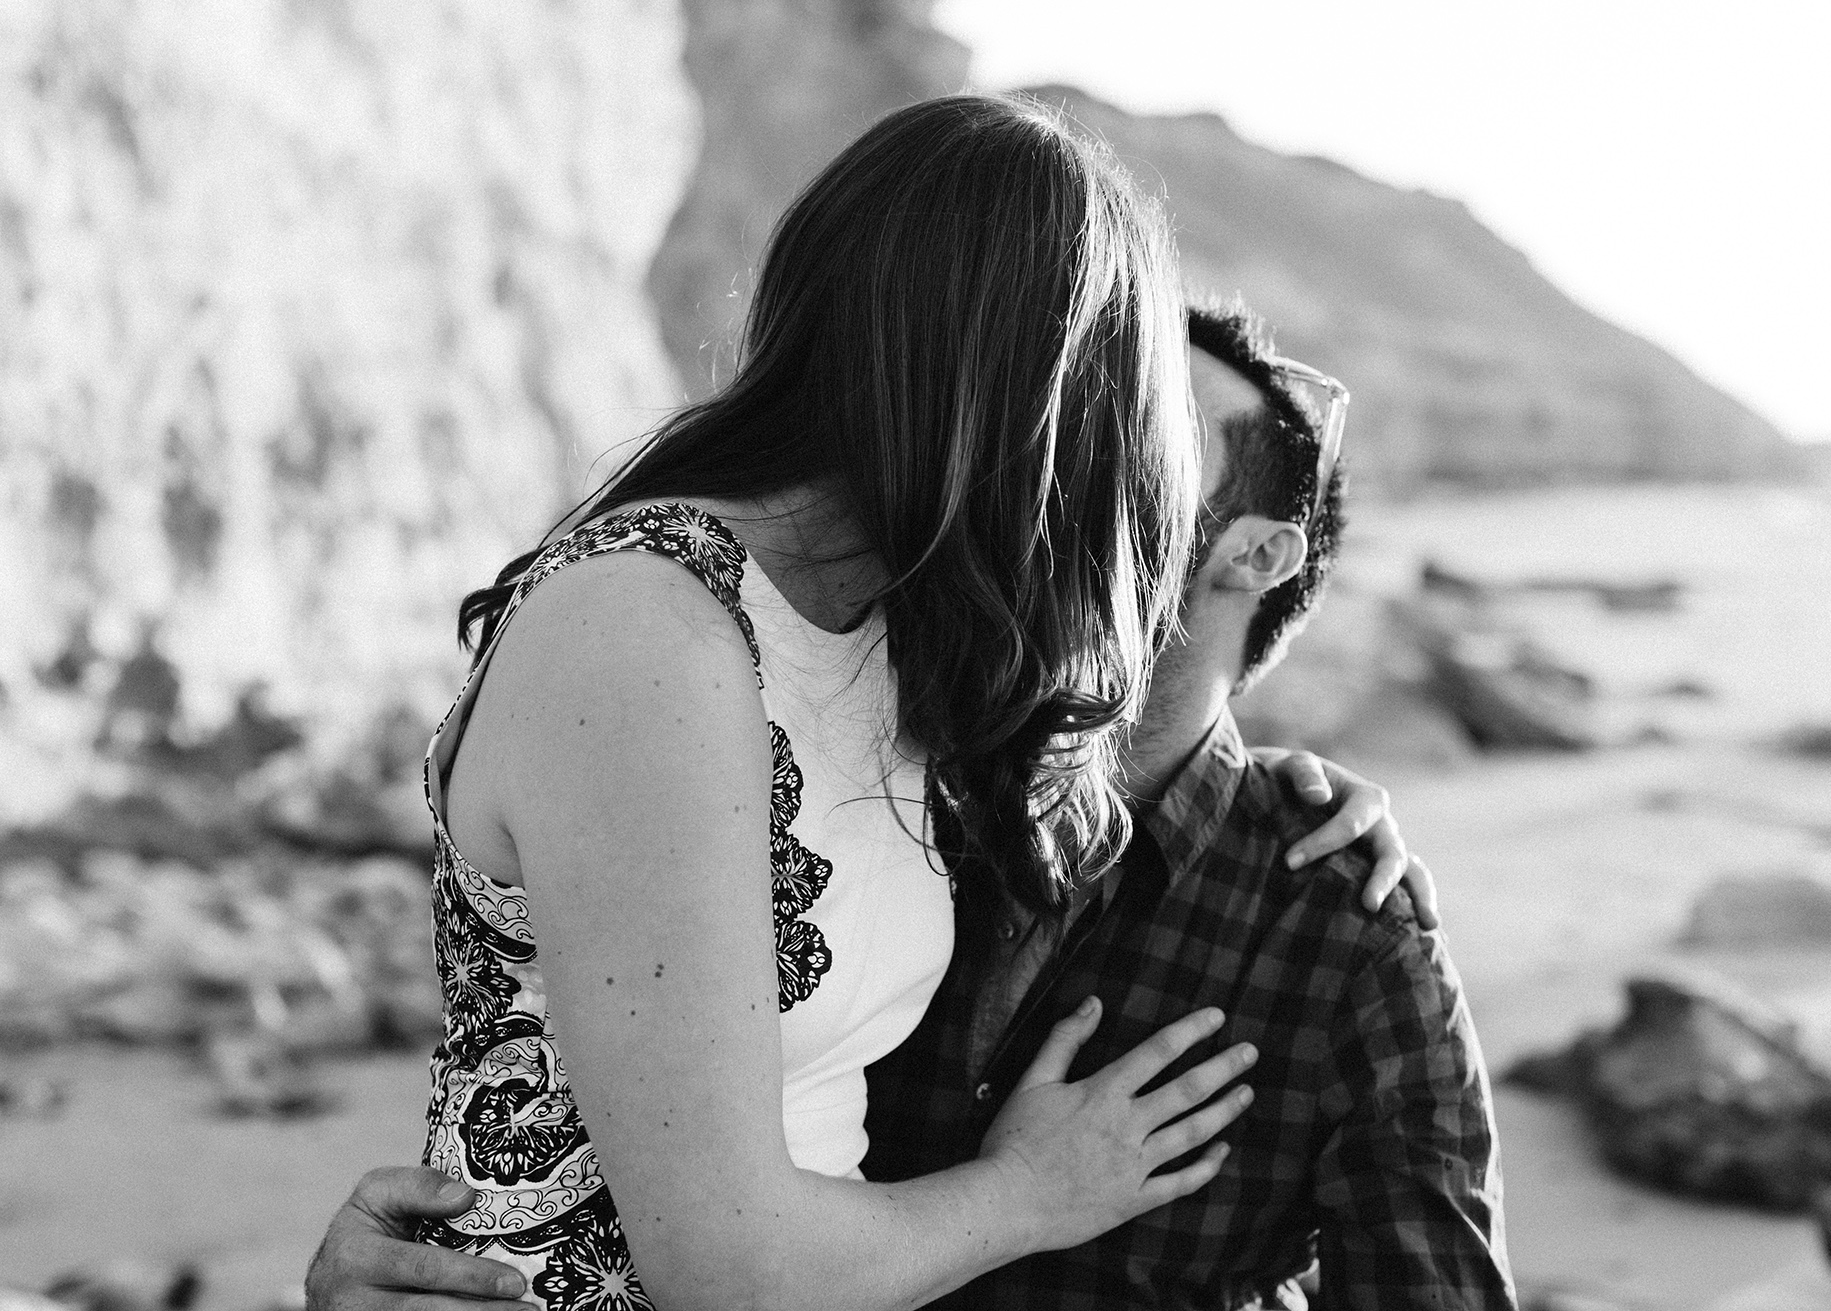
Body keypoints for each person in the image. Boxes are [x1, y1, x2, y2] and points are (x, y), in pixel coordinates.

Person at [305, 297, 1499, 1311]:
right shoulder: (864, 769)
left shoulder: (1341, 926)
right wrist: (428, 1260)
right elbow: (597, 1092)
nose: (1074, 445)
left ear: (1257, 556)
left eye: (1149, 435)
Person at [400, 91, 1280, 1311]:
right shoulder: (647, 637)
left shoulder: (878, 626)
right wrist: (1039, 1190)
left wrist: (1306, 814)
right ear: (1044, 407)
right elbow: (731, 1271)